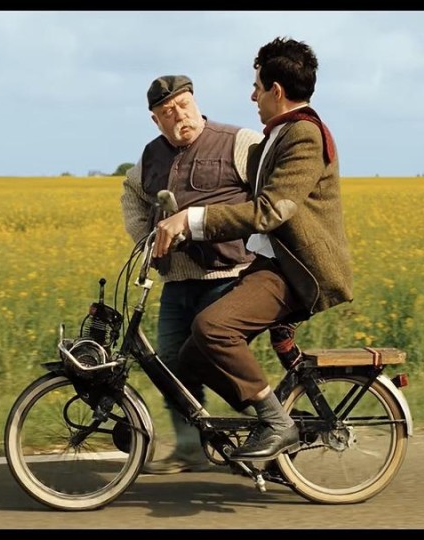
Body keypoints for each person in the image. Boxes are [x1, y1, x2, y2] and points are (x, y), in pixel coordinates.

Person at [153, 36, 355, 460]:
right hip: (269, 264)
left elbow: (270, 210)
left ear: (275, 90)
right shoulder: (276, 136)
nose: (252, 96)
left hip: (296, 271)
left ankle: (277, 424)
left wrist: (190, 220)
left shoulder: (304, 135)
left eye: (256, 86)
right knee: (189, 358)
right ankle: (269, 419)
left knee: (213, 328)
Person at [120, 74, 263, 473]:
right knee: (169, 363)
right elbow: (132, 195)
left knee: (213, 358)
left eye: (183, 105)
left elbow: (271, 198)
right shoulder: (150, 157)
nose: (178, 115)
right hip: (177, 281)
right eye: (167, 112)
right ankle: (189, 448)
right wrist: (149, 239)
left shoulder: (238, 142)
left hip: (230, 275)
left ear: (195, 102)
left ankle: (270, 427)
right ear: (155, 120)